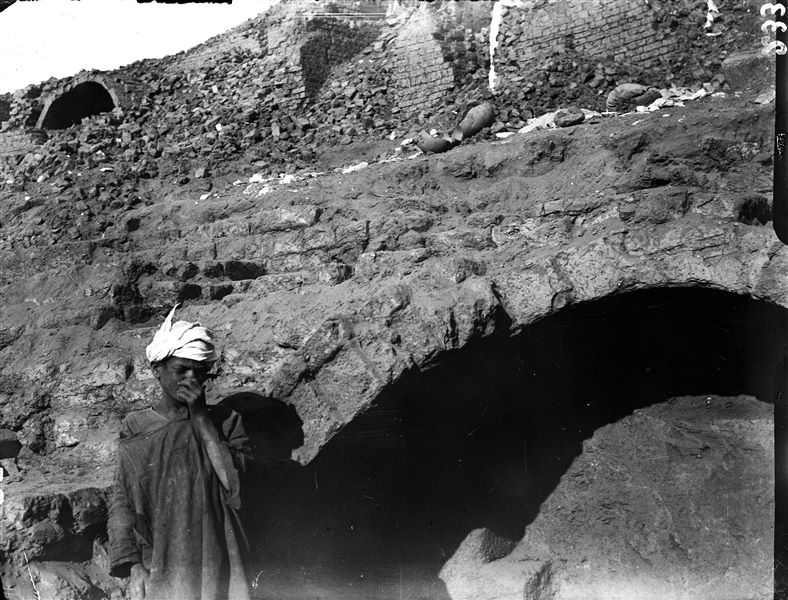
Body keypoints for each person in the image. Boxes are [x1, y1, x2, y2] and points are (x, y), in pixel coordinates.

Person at [108, 306, 252, 600]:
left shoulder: (226, 421)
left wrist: (199, 418)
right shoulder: (136, 426)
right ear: (157, 370)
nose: (191, 379)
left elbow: (234, 484)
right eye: (181, 369)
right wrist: (134, 567)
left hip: (221, 556)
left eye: (198, 372)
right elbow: (123, 499)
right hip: (162, 557)